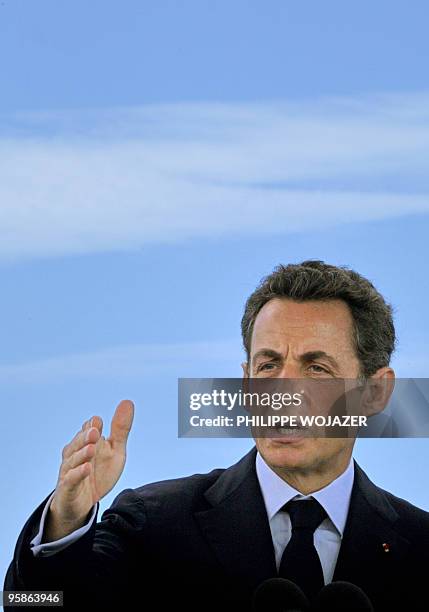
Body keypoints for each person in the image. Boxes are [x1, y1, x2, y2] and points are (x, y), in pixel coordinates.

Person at [4, 260, 429, 611]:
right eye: (267, 366)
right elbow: (30, 604)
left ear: (376, 391)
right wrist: (66, 523)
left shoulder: (422, 546)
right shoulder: (153, 524)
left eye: (316, 369)